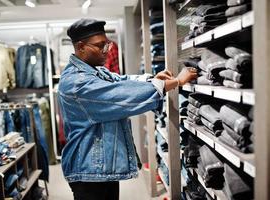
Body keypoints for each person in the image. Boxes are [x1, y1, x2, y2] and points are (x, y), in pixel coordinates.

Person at [57, 18, 197, 200]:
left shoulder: (94, 70)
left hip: (99, 167)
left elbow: (120, 80)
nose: (106, 51)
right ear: (81, 46)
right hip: (88, 170)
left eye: (106, 45)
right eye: (100, 46)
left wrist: (153, 79)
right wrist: (176, 82)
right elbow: (120, 94)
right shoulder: (77, 82)